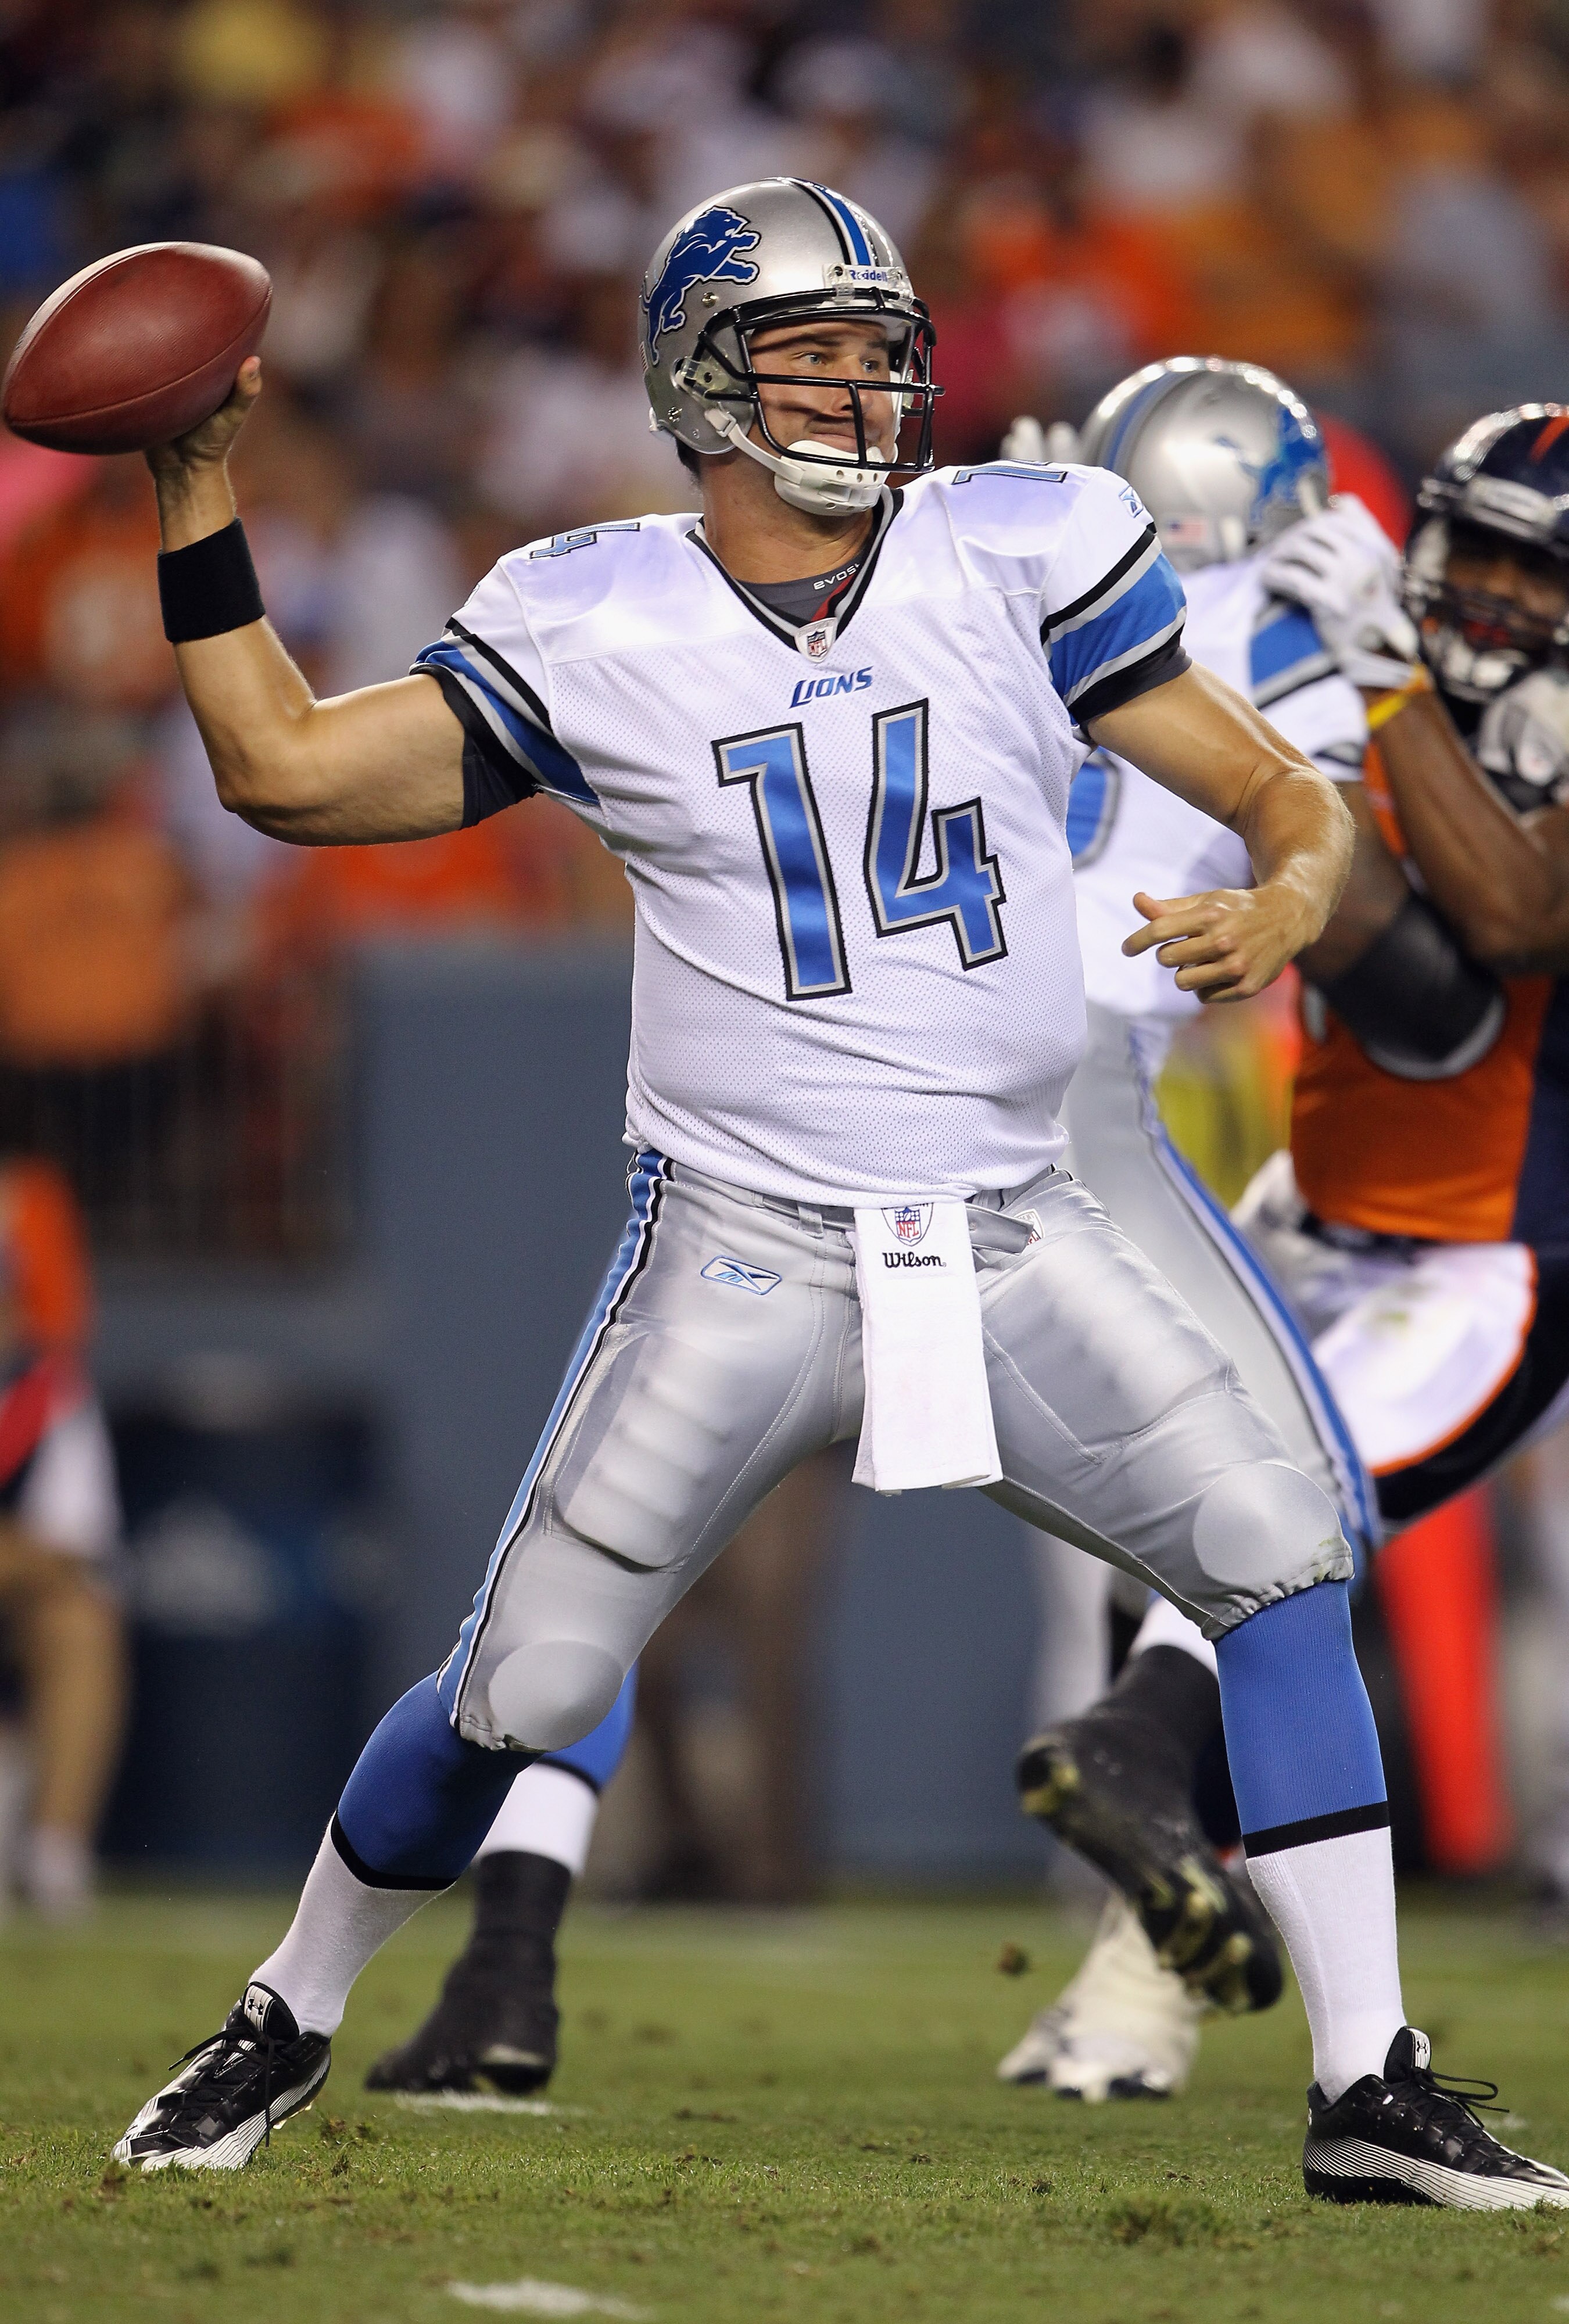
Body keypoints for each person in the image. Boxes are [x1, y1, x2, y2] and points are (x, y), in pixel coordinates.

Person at [109, 178, 1562, 2210]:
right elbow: (280, 771)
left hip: (1012, 1219)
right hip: (744, 1243)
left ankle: (1368, 2082)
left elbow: (1279, 788)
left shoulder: (1023, 546)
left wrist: (1293, 896)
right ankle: (286, 2010)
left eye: (886, 348)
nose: (873, 388)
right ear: (704, 385)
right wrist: (197, 496)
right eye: (819, 354)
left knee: (1279, 1552)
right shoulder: (595, 612)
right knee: (521, 1683)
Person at [1004, 390, 1569, 2110]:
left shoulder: (1428, 690)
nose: (1481, 591)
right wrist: (1042, 595)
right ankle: (1142, 1976)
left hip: (1486, 1261)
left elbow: (1508, 925)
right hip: (1307, 1216)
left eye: (1527, 573)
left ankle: (1133, 1797)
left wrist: (1387, 684)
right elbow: (1171, 787)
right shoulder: (1356, 662)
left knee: (1262, 1539)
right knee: (1150, 1555)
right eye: (1464, 548)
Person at [0, 1155, 125, 1916]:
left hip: (18, 1606)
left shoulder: (49, 1393)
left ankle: (55, 1848)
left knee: (83, 1621)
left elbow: (76, 1543)